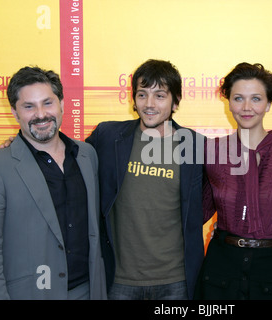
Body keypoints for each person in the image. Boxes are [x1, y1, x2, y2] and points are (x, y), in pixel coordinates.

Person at [0, 66, 107, 299]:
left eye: (47, 103)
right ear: (14, 112)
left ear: (62, 103)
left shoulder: (87, 155)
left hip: (88, 291)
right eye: (29, 106)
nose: (41, 114)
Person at [86, 59, 204, 300]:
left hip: (175, 281)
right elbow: (67, 159)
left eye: (160, 95)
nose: (149, 104)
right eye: (142, 94)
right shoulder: (107, 137)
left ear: (176, 101)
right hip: (119, 280)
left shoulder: (195, 146)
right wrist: (25, 144)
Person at [195, 63, 272, 299]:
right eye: (238, 98)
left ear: (269, 103)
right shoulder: (213, 150)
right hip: (221, 265)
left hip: (271, 268)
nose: (246, 107)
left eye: (256, 99)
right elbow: (197, 210)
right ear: (228, 102)